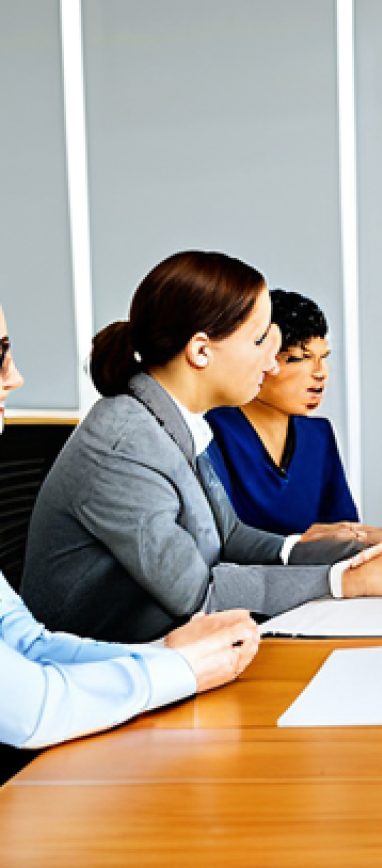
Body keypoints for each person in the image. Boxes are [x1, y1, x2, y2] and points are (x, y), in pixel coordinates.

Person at [20, 252, 382, 644]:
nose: (271, 364)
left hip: (164, 650)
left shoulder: (173, 421)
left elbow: (228, 536)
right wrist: (343, 582)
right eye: (260, 340)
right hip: (100, 672)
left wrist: (338, 555)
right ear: (200, 350)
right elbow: (198, 596)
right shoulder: (127, 445)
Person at [0, 298, 259, 760]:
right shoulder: (126, 437)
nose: (15, 377)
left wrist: (164, 652)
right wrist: (180, 669)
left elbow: (28, 641)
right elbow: (31, 710)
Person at [206, 290, 382, 542]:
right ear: (262, 359)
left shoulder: (318, 435)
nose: (321, 372)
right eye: (300, 359)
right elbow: (222, 542)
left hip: (321, 577)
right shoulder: (213, 431)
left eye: (323, 358)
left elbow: (344, 530)